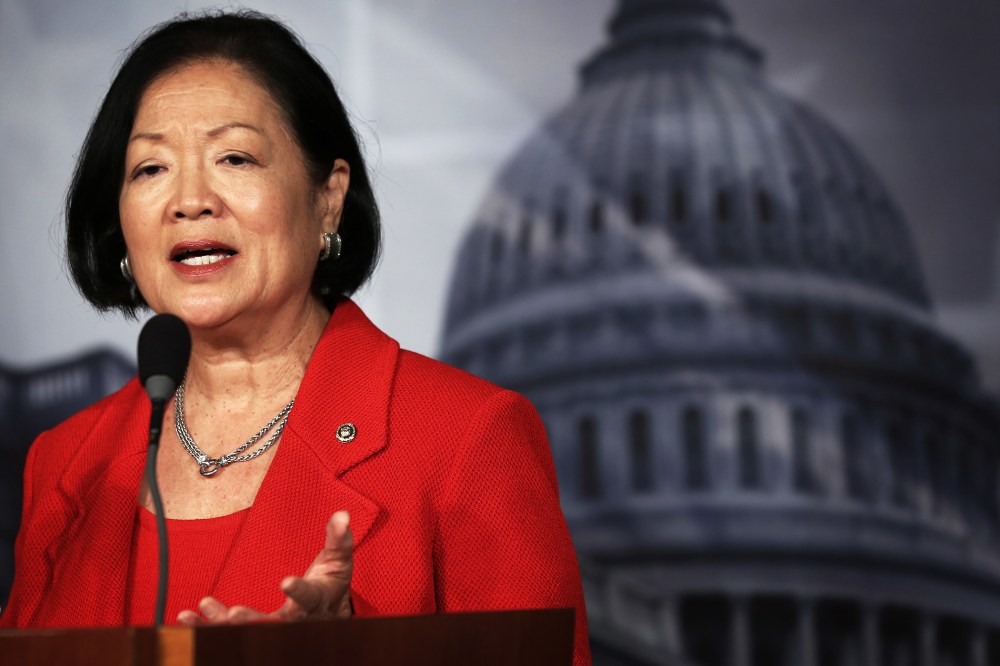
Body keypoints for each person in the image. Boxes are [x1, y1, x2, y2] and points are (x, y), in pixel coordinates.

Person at [0, 10, 591, 665]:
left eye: (235, 156)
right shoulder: (63, 465)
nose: (189, 199)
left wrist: (356, 654)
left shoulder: (467, 440)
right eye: (150, 169)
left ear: (327, 198)